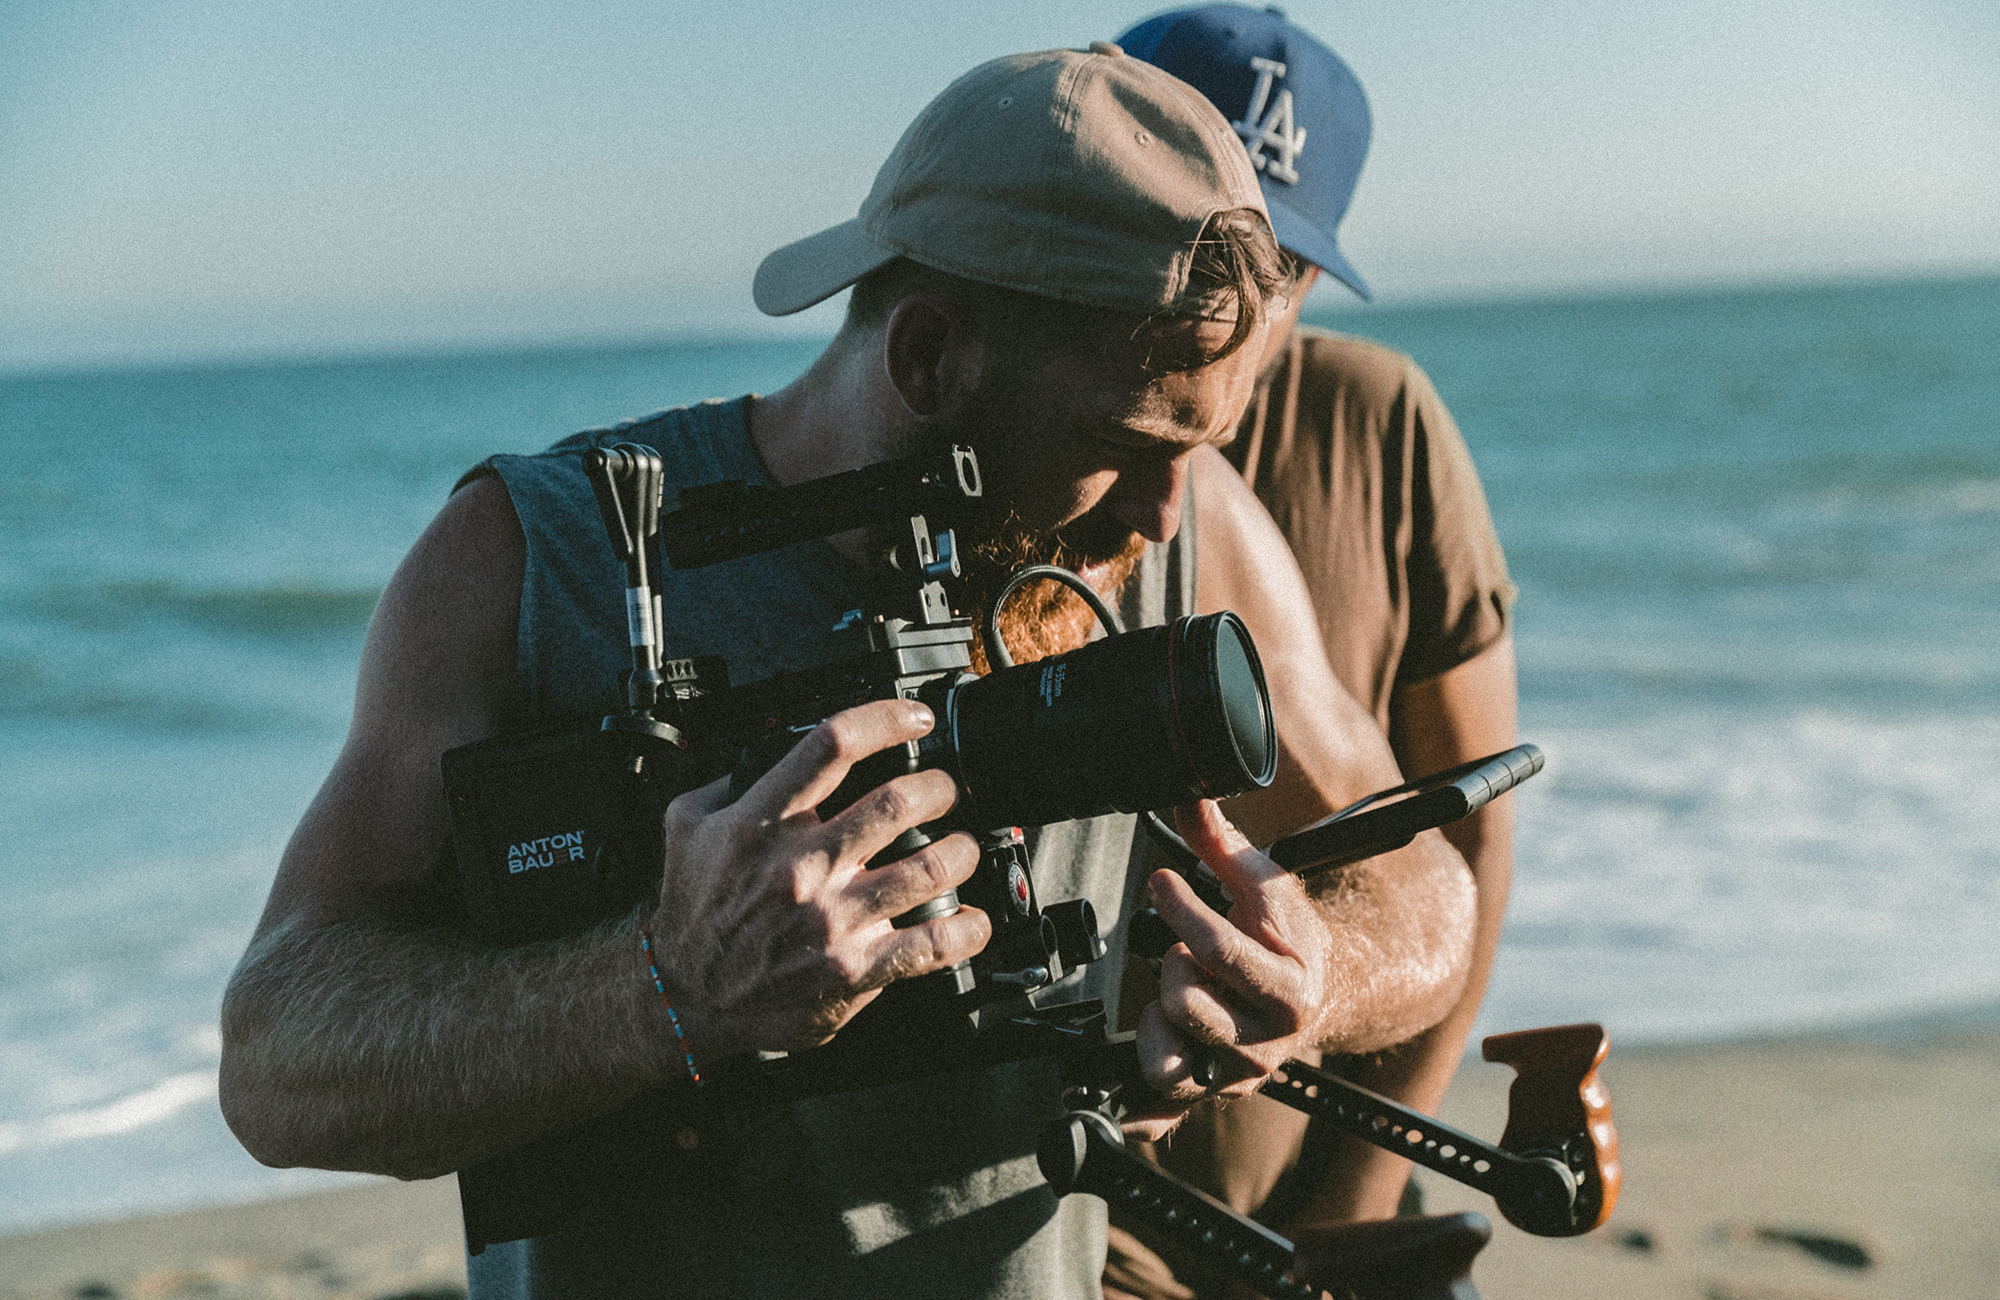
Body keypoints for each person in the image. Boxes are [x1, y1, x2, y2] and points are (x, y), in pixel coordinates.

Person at [217, 45, 1478, 1300]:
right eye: (1118, 442)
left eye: (1201, 443)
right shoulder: (528, 562)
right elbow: (274, 1065)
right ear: (927, 355)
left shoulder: (1191, 522)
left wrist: (1313, 974)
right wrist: (663, 986)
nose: (1159, 520)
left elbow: (1425, 885)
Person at [1100, 9, 1520, 1297]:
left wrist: (1353, 1197)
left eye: (1270, 263)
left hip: (1316, 1176)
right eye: (1186, 237)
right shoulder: (1030, 429)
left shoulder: (1381, 423)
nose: (1222, 305)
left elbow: (1470, 832)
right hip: (1068, 1185)